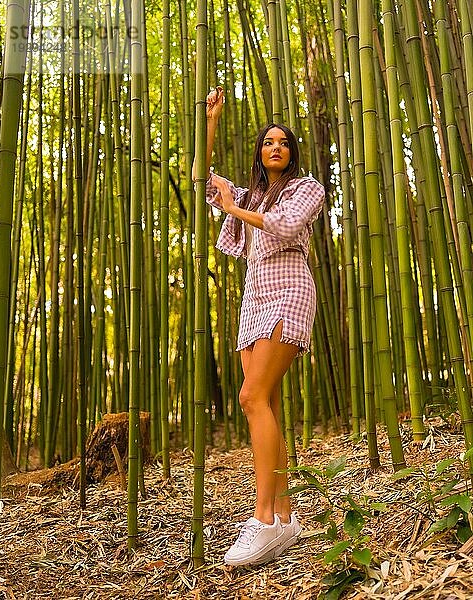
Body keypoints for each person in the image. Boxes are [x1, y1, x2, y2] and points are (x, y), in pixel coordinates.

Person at [192, 86, 325, 566]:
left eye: (284, 142)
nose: (276, 147)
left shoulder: (307, 188)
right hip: (254, 298)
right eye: (268, 141)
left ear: (292, 154)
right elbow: (200, 179)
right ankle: (287, 518)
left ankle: (263, 519)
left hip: (290, 290)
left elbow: (285, 227)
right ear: (259, 152)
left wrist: (233, 208)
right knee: (264, 401)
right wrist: (211, 124)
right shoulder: (248, 194)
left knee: (250, 397)